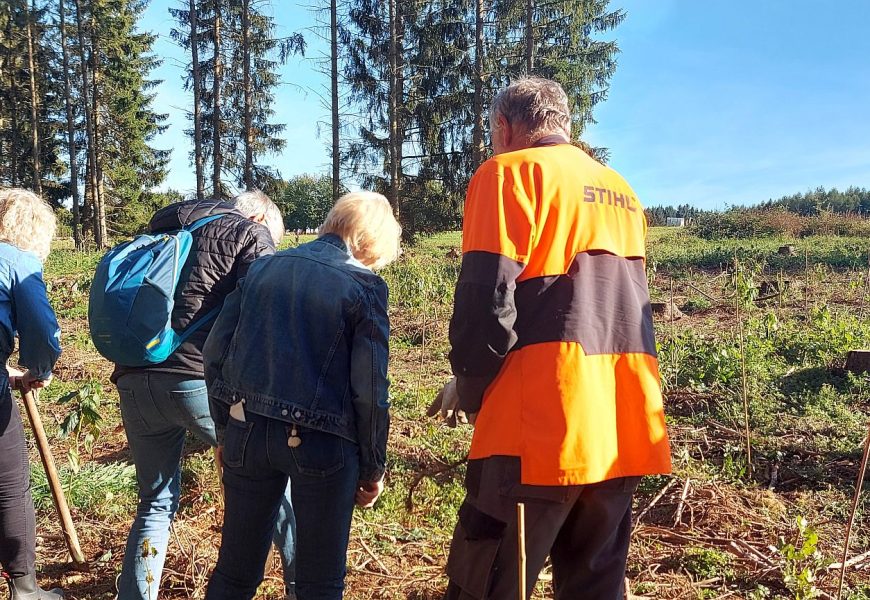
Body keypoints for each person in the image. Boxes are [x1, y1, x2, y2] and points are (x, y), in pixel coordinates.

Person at [431, 77, 672, 599]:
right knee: (593, 588)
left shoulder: (506, 175)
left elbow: (486, 303)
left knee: (486, 583)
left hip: (537, 431)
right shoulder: (622, 192)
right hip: (620, 428)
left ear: (504, 126)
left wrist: (472, 390)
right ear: (563, 123)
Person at [202, 191, 401, 600]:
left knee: (234, 573)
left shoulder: (261, 268)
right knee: (319, 585)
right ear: (372, 241)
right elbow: (370, 390)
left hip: (247, 430)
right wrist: (373, 466)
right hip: (323, 446)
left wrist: (225, 429)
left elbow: (215, 352)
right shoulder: (364, 285)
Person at [113, 191, 296, 600]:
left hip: (134, 378)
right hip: (198, 379)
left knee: (155, 502)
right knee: (273, 480)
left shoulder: (162, 228)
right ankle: (303, 587)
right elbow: (264, 314)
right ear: (258, 214)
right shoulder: (251, 232)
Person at [0, 189, 64, 599]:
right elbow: (42, 332)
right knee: (9, 484)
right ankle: (25, 590)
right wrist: (37, 370)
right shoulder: (16, 261)